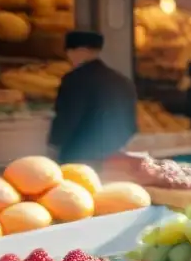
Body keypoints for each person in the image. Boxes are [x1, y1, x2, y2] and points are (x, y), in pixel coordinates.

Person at [48, 30, 137, 164]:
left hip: (79, 155)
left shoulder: (75, 79)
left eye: (70, 52)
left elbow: (67, 117)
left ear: (79, 50)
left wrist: (54, 144)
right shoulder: (122, 80)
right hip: (114, 155)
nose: (69, 57)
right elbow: (131, 123)